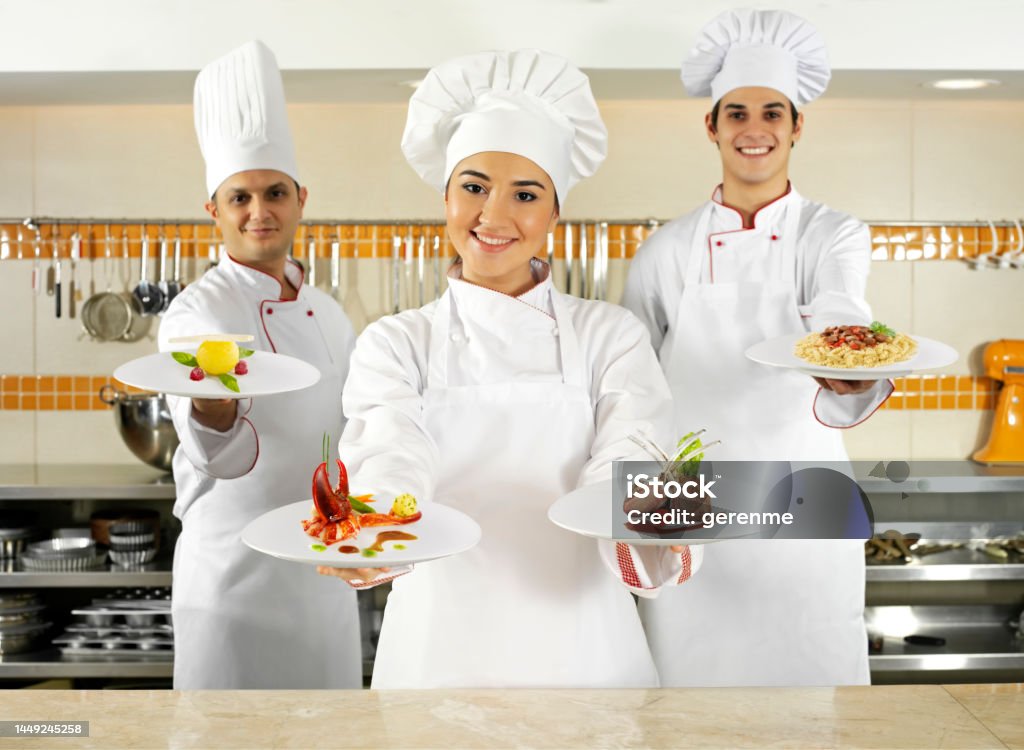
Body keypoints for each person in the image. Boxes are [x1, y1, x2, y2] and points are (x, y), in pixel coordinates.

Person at [319, 49, 701, 689]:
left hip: (586, 652)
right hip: (437, 653)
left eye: (526, 194)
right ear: (445, 198)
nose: (494, 217)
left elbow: (630, 459)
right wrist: (376, 523)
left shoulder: (609, 335)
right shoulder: (396, 343)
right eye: (473, 188)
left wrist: (656, 517)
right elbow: (390, 449)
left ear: (555, 214)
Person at [621, 9, 893, 687]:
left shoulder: (831, 233)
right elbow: (630, 384)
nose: (754, 128)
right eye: (736, 112)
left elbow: (841, 304)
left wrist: (843, 364)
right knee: (690, 695)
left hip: (808, 497)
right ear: (711, 126)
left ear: (797, 125)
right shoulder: (665, 251)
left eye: (773, 112)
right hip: (694, 504)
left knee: (816, 694)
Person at [158, 40, 361, 689]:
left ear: (301, 198)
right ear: (213, 209)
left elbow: (352, 431)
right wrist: (211, 409)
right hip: (234, 587)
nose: (259, 211)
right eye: (239, 197)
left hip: (322, 576)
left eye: (274, 192)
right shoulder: (197, 313)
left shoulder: (329, 314)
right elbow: (215, 456)